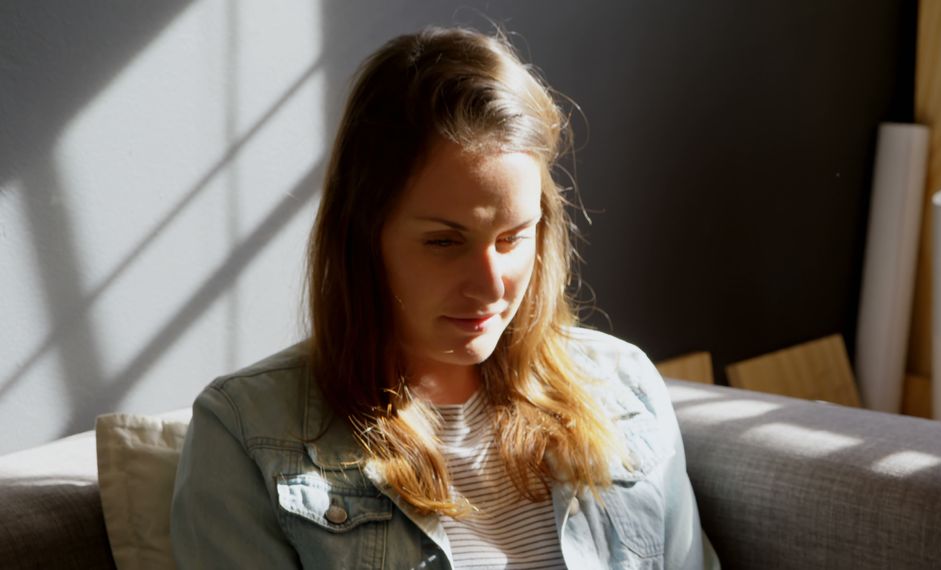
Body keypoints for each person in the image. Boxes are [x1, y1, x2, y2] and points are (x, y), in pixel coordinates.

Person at [171, 26, 720, 569]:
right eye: (443, 241)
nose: (489, 285)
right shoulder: (245, 434)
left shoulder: (623, 387)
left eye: (513, 238)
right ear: (363, 237)